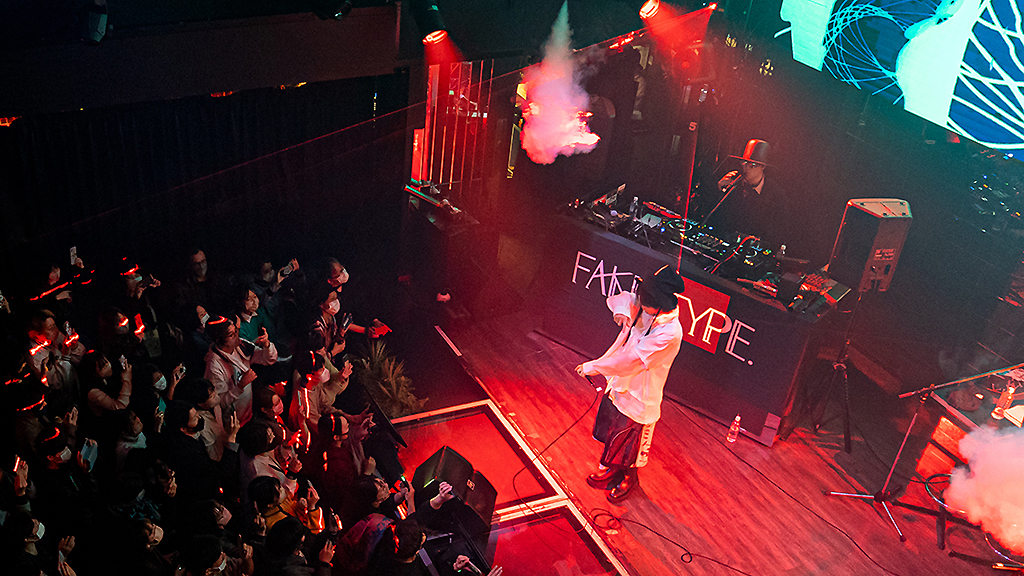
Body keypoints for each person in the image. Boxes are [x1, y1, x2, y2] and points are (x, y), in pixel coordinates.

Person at [575, 265, 685, 502]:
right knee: (613, 431)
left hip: (640, 394)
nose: (641, 305)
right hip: (620, 383)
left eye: (646, 303)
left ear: (659, 304)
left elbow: (632, 361)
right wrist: (623, 312)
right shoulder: (648, 309)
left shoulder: (669, 333)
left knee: (631, 441)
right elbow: (624, 299)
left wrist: (594, 367)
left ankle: (629, 478)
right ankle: (613, 470)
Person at [705, 139, 785, 247]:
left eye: (753, 165)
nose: (746, 168)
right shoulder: (733, 183)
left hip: (752, 248)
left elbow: (777, 232)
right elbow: (712, 216)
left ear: (763, 166)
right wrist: (719, 189)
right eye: (744, 163)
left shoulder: (776, 195)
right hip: (723, 243)